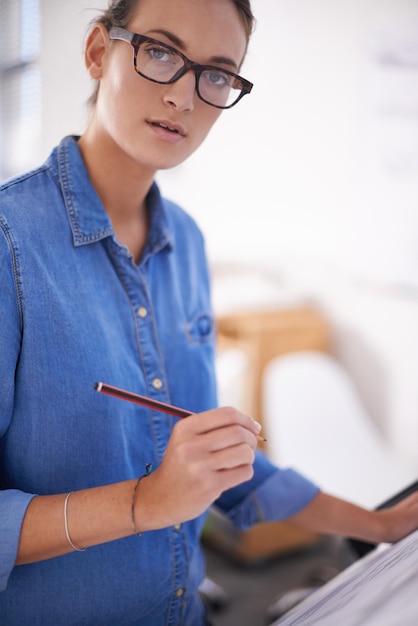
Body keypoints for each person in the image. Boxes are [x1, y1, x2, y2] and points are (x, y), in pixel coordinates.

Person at [1, 0, 418, 624]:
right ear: (97, 52)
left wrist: (379, 524)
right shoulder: (10, 243)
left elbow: (219, 458)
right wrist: (145, 502)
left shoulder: (187, 243)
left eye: (217, 73)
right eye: (162, 53)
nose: (185, 97)